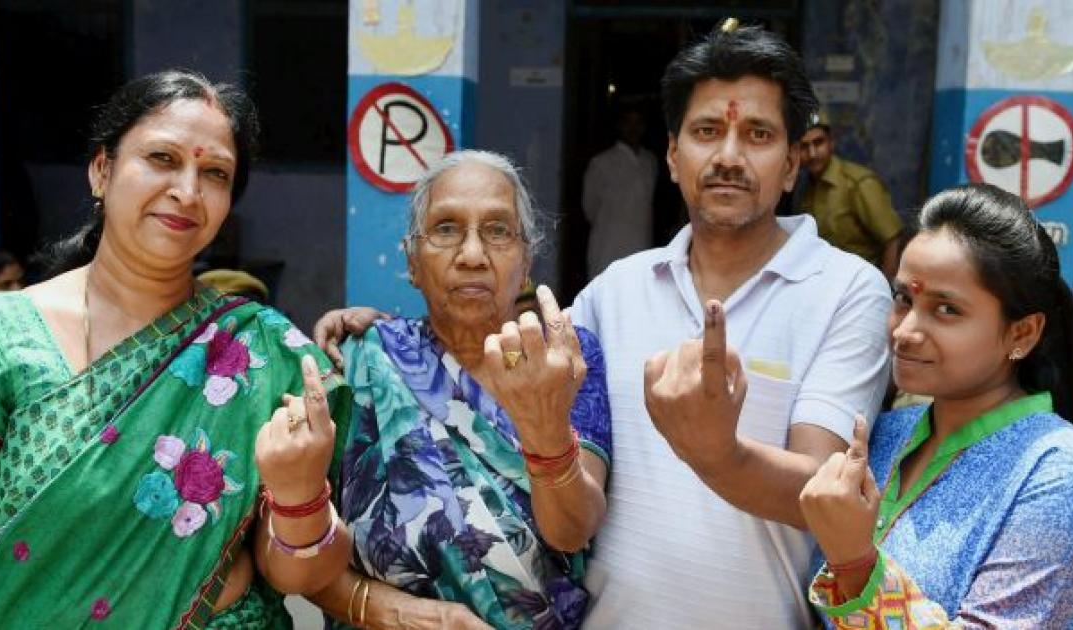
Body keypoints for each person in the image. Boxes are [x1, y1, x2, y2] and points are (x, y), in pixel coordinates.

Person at [314, 20, 891, 628]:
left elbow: (825, 491)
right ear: (674, 156)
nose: (728, 156)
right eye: (706, 131)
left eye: (758, 134)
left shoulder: (846, 291)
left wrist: (718, 453)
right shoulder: (617, 290)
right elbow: (497, 339)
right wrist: (394, 336)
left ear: (793, 163)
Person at [0, 69, 353, 628]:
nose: (187, 191)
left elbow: (300, 577)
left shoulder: (261, 352)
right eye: (161, 159)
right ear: (101, 171)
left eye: (215, 173)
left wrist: (299, 493)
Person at [799, 183, 1073, 627]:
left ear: (1022, 333)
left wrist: (856, 563)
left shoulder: (1062, 476)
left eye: (946, 310)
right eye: (904, 299)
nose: (905, 331)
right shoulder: (889, 433)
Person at [307, 150, 612, 630]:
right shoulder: (362, 362)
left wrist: (543, 427)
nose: (472, 255)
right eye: (446, 229)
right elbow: (294, 548)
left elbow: (572, 532)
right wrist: (402, 615)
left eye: (498, 231)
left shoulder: (565, 358)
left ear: (526, 262)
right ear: (412, 261)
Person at [798, 110, 903, 279]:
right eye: (804, 146)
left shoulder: (858, 183)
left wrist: (886, 288)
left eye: (818, 143)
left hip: (861, 282)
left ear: (831, 142)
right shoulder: (803, 187)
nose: (812, 154)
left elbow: (892, 241)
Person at [582, 106, 657, 278]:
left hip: (641, 251)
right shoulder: (601, 163)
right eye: (628, 122)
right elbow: (589, 209)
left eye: (638, 123)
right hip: (607, 251)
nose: (633, 128)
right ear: (619, 126)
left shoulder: (650, 162)